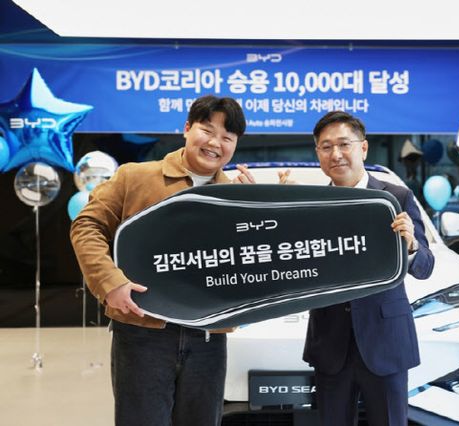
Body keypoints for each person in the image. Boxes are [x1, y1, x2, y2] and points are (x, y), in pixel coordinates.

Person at [70, 95, 255, 426]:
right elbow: (87, 225)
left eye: (227, 137)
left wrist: (254, 211)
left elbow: (249, 260)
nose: (215, 143)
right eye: (207, 130)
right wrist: (110, 283)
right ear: (187, 128)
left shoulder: (235, 195)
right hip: (142, 331)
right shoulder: (135, 177)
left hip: (208, 338)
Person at [299, 111, 435, 425]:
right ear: (318, 153)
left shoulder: (396, 197)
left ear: (363, 148)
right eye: (326, 147)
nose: (335, 154)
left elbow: (425, 267)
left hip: (385, 340)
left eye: (343, 144)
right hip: (330, 342)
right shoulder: (309, 205)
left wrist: (411, 246)